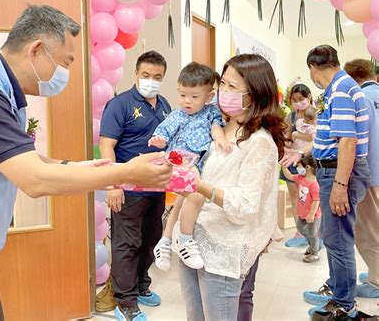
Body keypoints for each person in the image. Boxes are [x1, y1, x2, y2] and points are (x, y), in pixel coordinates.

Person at [0, 6, 172, 321]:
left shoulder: (3, 93)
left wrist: (81, 167)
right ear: (35, 50)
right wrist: (128, 172)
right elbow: (35, 180)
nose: (64, 74)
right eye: (65, 62)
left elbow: (23, 158)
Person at [175, 54, 287, 321]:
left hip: (223, 251)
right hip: (192, 240)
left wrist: (200, 186)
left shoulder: (258, 142)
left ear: (255, 93)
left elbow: (246, 206)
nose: (223, 92)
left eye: (232, 87)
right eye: (222, 84)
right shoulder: (215, 129)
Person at [99, 50, 172, 321]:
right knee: (127, 244)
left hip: (156, 187)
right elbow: (107, 146)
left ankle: (142, 285)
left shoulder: (164, 105)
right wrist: (112, 185)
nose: (151, 80)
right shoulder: (119, 105)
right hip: (127, 189)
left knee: (151, 239)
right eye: (146, 75)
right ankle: (125, 302)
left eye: (157, 77)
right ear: (136, 75)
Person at [300, 45, 370, 320]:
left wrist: (340, 186)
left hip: (339, 174)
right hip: (335, 170)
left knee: (338, 240)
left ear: (314, 68)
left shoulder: (340, 90)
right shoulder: (344, 87)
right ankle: (337, 290)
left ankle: (344, 304)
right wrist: (306, 152)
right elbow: (334, 137)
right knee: (334, 237)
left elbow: (347, 142)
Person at [150, 62, 229, 271]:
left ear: (209, 96)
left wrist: (220, 138)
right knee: (195, 195)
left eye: (194, 97)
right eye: (183, 95)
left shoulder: (210, 112)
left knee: (182, 202)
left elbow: (216, 127)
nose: (187, 101)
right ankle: (185, 239)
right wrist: (158, 140)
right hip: (179, 160)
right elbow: (163, 132)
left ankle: (165, 241)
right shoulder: (177, 115)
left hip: (197, 163)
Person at [344, 59, 379, 299]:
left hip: (369, 175)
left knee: (368, 231)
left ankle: (376, 282)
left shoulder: (360, 99)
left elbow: (353, 141)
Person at [281, 83, 314, 248]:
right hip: (291, 160)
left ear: (309, 98)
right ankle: (299, 231)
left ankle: (315, 233)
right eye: (294, 100)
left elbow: (315, 138)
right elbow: (286, 135)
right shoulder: (291, 117)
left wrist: (295, 134)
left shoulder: (315, 115)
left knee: (312, 197)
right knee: (295, 197)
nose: (298, 103)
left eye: (301, 99)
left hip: (309, 161)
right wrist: (286, 142)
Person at [282, 157, 321, 263]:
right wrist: (283, 165)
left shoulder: (314, 184)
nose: (298, 168)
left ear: (307, 167)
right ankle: (314, 245)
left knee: (312, 234)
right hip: (302, 213)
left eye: (299, 166)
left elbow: (316, 200)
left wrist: (312, 214)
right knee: (301, 228)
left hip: (312, 215)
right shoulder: (300, 178)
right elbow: (289, 176)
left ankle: (315, 253)